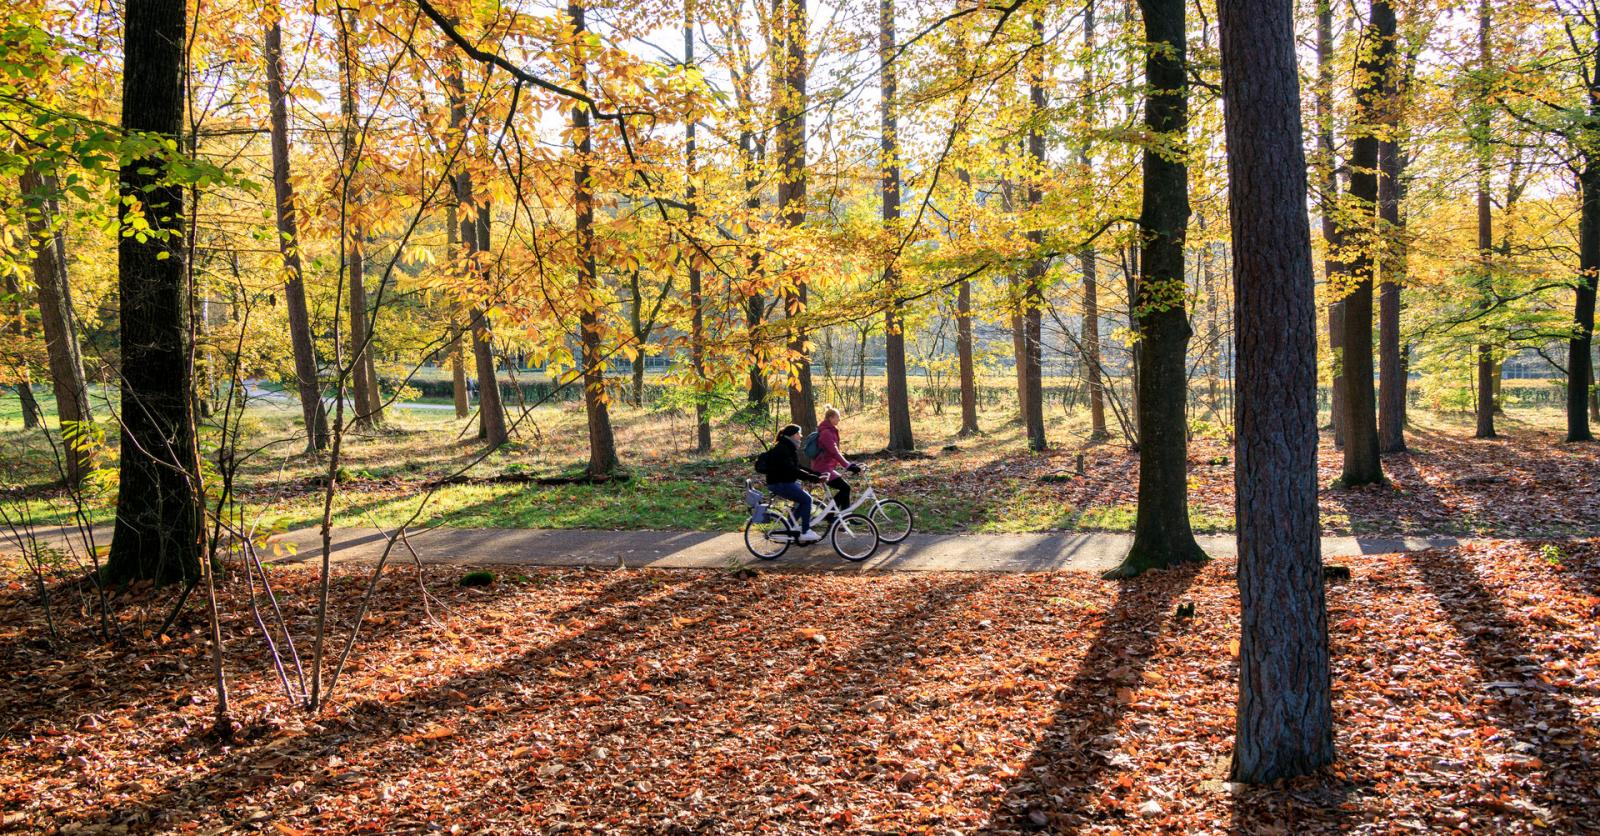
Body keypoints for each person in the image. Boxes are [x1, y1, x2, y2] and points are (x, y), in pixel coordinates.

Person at [761, 424, 824, 543]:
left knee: (802, 501)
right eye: (799, 434)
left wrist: (816, 474)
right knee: (807, 500)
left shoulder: (788, 446)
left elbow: (797, 466)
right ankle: (805, 531)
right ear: (793, 435)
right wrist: (813, 478)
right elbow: (793, 470)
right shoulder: (783, 449)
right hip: (779, 483)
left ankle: (789, 528)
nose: (801, 436)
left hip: (784, 481)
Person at [810, 406, 861, 518]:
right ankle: (830, 514)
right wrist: (848, 465)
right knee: (845, 488)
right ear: (831, 417)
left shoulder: (830, 430)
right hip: (822, 468)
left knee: (845, 488)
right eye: (838, 417)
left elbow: (835, 452)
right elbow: (834, 452)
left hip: (827, 467)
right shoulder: (826, 433)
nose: (839, 419)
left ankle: (846, 517)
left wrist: (848, 465)